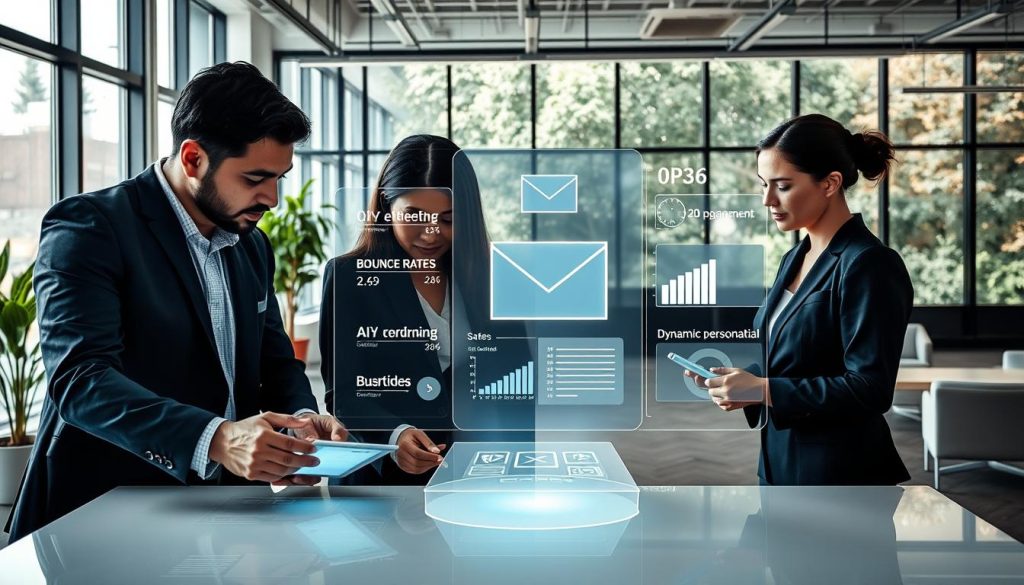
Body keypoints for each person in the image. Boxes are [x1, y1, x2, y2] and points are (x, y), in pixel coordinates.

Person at [6, 62, 348, 542]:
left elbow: (273, 361)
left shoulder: (251, 245)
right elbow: (81, 381)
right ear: (193, 159)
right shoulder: (90, 227)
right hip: (101, 513)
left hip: (227, 518)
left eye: (279, 178)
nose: (271, 198)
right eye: (255, 178)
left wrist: (301, 422)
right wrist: (216, 438)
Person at [685, 113, 913, 486]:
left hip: (840, 477)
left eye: (783, 186)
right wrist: (744, 382)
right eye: (764, 185)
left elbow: (870, 389)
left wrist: (763, 389)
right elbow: (799, 359)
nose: (767, 200)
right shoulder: (796, 256)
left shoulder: (869, 263)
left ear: (830, 183)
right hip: (779, 465)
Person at [320, 134, 494, 483]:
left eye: (448, 219)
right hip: (380, 479)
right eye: (414, 216)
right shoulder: (348, 276)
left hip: (474, 472)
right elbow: (344, 392)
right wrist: (394, 435)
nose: (430, 235)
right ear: (386, 207)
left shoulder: (490, 278)